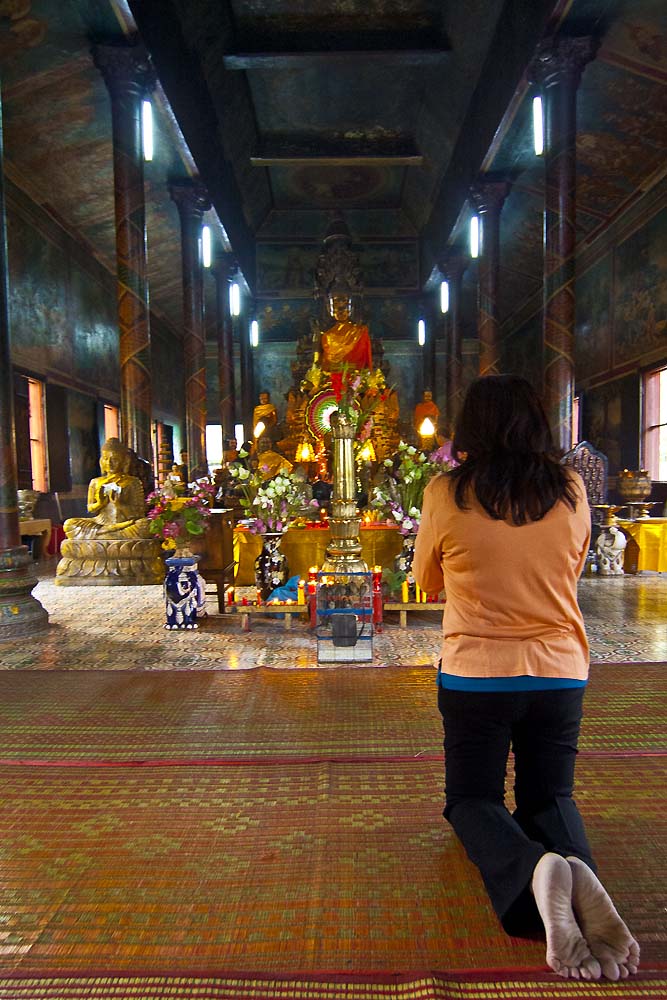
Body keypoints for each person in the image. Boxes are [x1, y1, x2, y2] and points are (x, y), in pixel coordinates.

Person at [413, 375, 639, 982]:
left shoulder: (445, 492)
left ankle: (534, 873)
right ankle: (576, 869)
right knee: (549, 797)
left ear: (469, 427)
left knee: (472, 800)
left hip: (476, 675)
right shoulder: (569, 487)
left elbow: (427, 582)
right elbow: (576, 561)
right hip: (560, 673)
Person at [63, 437, 151, 539]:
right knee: (69, 524)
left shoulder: (132, 482)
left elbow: (139, 513)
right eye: (106, 458)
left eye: (114, 459)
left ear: (124, 461)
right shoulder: (95, 482)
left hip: (125, 523)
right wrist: (100, 503)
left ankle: (103, 536)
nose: (109, 463)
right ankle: (109, 533)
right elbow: (90, 508)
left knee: (145, 525)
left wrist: (120, 505)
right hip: (101, 523)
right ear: (101, 461)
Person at [320, 294, 372, 371]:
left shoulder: (359, 331)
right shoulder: (327, 335)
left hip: (355, 376)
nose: (340, 312)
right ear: (331, 310)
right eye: (337, 308)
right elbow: (322, 361)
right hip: (332, 376)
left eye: (344, 308)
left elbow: (366, 359)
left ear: (350, 310)